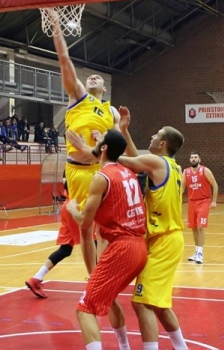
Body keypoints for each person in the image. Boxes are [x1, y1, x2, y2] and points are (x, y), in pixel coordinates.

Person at [68, 106, 189, 350]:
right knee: (157, 304)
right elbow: (133, 161)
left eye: (156, 134)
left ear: (163, 143)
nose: (153, 137)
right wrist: (121, 130)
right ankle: (180, 347)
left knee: (140, 303)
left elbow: (119, 158)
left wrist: (92, 147)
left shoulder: (152, 163)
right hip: (151, 241)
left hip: (159, 239)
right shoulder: (170, 167)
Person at [24, 9, 120, 299]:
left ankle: (93, 279)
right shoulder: (78, 97)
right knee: (86, 229)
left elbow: (114, 151)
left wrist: (103, 142)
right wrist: (56, 26)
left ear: (105, 87)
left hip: (100, 172)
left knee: (102, 231)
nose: (92, 76)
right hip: (78, 172)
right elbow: (64, 60)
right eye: (89, 75)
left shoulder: (111, 112)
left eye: (98, 77)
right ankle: (94, 284)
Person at [66, 129, 147, 350]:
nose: (97, 141)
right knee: (107, 298)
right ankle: (124, 347)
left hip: (122, 248)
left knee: (84, 308)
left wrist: (72, 208)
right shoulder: (127, 172)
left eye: (99, 139)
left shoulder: (101, 178)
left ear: (103, 148)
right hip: (139, 247)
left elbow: (84, 221)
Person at [183, 151, 218, 264]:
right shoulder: (186, 172)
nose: (193, 159)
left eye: (195, 157)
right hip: (191, 202)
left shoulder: (205, 170)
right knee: (193, 228)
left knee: (201, 227)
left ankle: (200, 253)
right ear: (190, 160)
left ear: (199, 160)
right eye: (192, 157)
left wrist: (214, 201)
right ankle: (196, 251)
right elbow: (182, 188)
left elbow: (215, 185)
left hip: (203, 201)